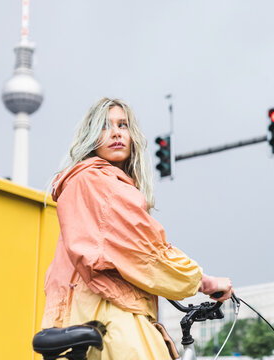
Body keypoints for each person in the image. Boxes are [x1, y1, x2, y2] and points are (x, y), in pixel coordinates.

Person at [41, 97, 234, 359]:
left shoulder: (81, 183)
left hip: (78, 316)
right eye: (105, 126)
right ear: (90, 137)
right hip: (109, 315)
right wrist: (202, 281)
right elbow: (145, 253)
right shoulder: (100, 182)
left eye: (123, 125)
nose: (117, 133)